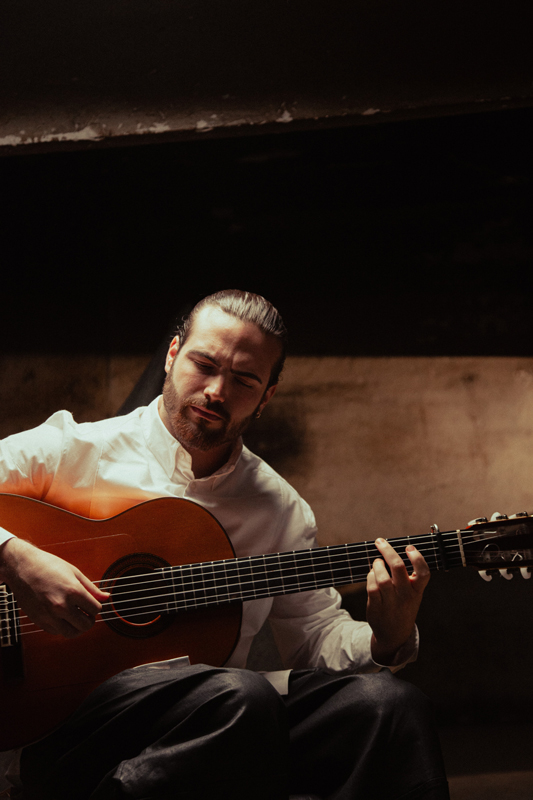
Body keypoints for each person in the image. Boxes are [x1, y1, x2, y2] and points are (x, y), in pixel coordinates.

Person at [0, 290, 449, 800]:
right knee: (241, 695)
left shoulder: (278, 507)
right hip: (72, 718)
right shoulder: (73, 451)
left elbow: (313, 636)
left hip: (220, 719)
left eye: (244, 380)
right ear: (172, 356)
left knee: (390, 706)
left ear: (267, 396)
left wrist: (385, 639)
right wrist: (14, 557)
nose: (216, 390)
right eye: (203, 364)